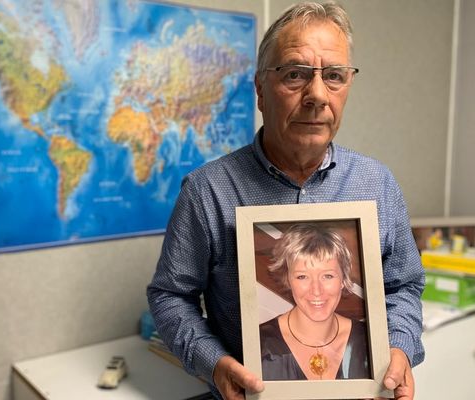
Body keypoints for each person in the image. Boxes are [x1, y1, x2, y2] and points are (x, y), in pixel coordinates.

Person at [147, 2, 424, 399]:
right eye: (295, 74)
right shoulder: (207, 191)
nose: (316, 95)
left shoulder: (378, 183)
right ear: (260, 89)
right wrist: (214, 364)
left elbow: (404, 286)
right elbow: (171, 296)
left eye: (333, 76)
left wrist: (399, 348)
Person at [259, 224, 369, 381]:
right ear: (288, 280)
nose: (316, 290)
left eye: (328, 276)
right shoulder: (259, 344)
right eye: (302, 277)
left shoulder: (368, 339)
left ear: (343, 279)